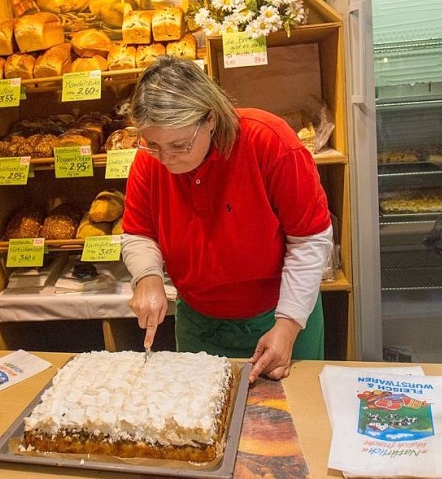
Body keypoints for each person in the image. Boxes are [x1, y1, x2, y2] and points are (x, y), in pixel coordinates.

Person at [121, 56, 333, 383]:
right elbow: (139, 233)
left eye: (179, 145)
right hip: (199, 323)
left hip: (281, 315)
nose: (165, 159)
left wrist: (288, 325)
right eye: (153, 145)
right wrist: (147, 275)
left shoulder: (270, 142)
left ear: (209, 119)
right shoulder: (150, 161)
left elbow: (309, 240)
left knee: (285, 424)